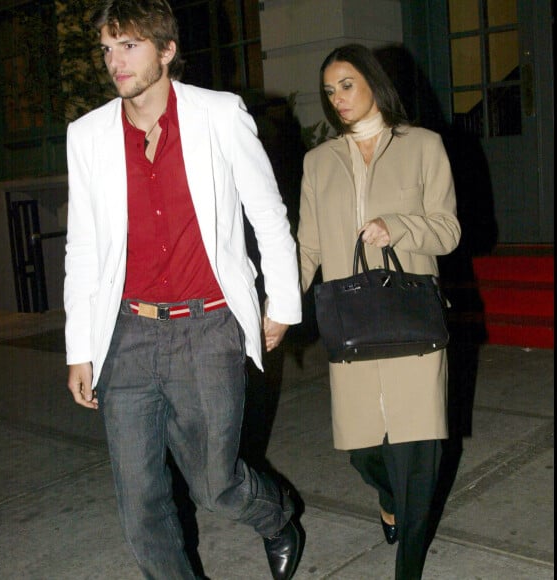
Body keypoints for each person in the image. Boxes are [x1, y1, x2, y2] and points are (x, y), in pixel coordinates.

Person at [63, 1, 304, 578]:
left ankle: (277, 519)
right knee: (140, 501)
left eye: (129, 46)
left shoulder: (218, 114)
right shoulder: (88, 134)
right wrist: (79, 347)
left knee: (216, 485)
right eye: (107, 49)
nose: (115, 62)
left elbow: (267, 215)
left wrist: (284, 305)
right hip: (126, 334)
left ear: (166, 51)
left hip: (209, 326)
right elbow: (84, 246)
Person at [296, 44, 461, 579]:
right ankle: (388, 496)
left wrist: (401, 226)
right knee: (362, 449)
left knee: (417, 451)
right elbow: (309, 247)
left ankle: (407, 567)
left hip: (410, 316)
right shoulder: (318, 162)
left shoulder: (424, 147)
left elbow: (449, 229)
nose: (337, 98)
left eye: (346, 84)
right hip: (350, 321)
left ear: (372, 81)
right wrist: (280, 311)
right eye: (329, 90)